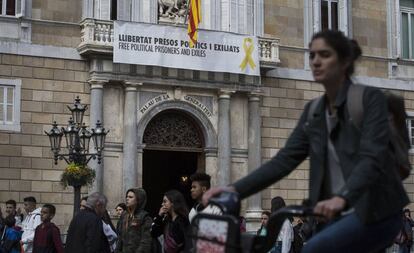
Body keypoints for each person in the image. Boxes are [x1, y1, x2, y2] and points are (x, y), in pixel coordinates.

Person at [202, 29, 409, 253]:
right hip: (337, 216)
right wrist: (233, 189)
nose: (316, 61)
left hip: (377, 211)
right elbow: (283, 161)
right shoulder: (314, 112)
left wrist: (341, 198)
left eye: (325, 55)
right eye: (312, 55)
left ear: (345, 61)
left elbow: (372, 157)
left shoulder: (369, 100)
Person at [115, 188, 152, 253]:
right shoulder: (124, 215)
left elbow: (145, 242)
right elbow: (120, 237)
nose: (127, 198)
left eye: (130, 197)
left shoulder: (145, 217)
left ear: (138, 199)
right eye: (127, 196)